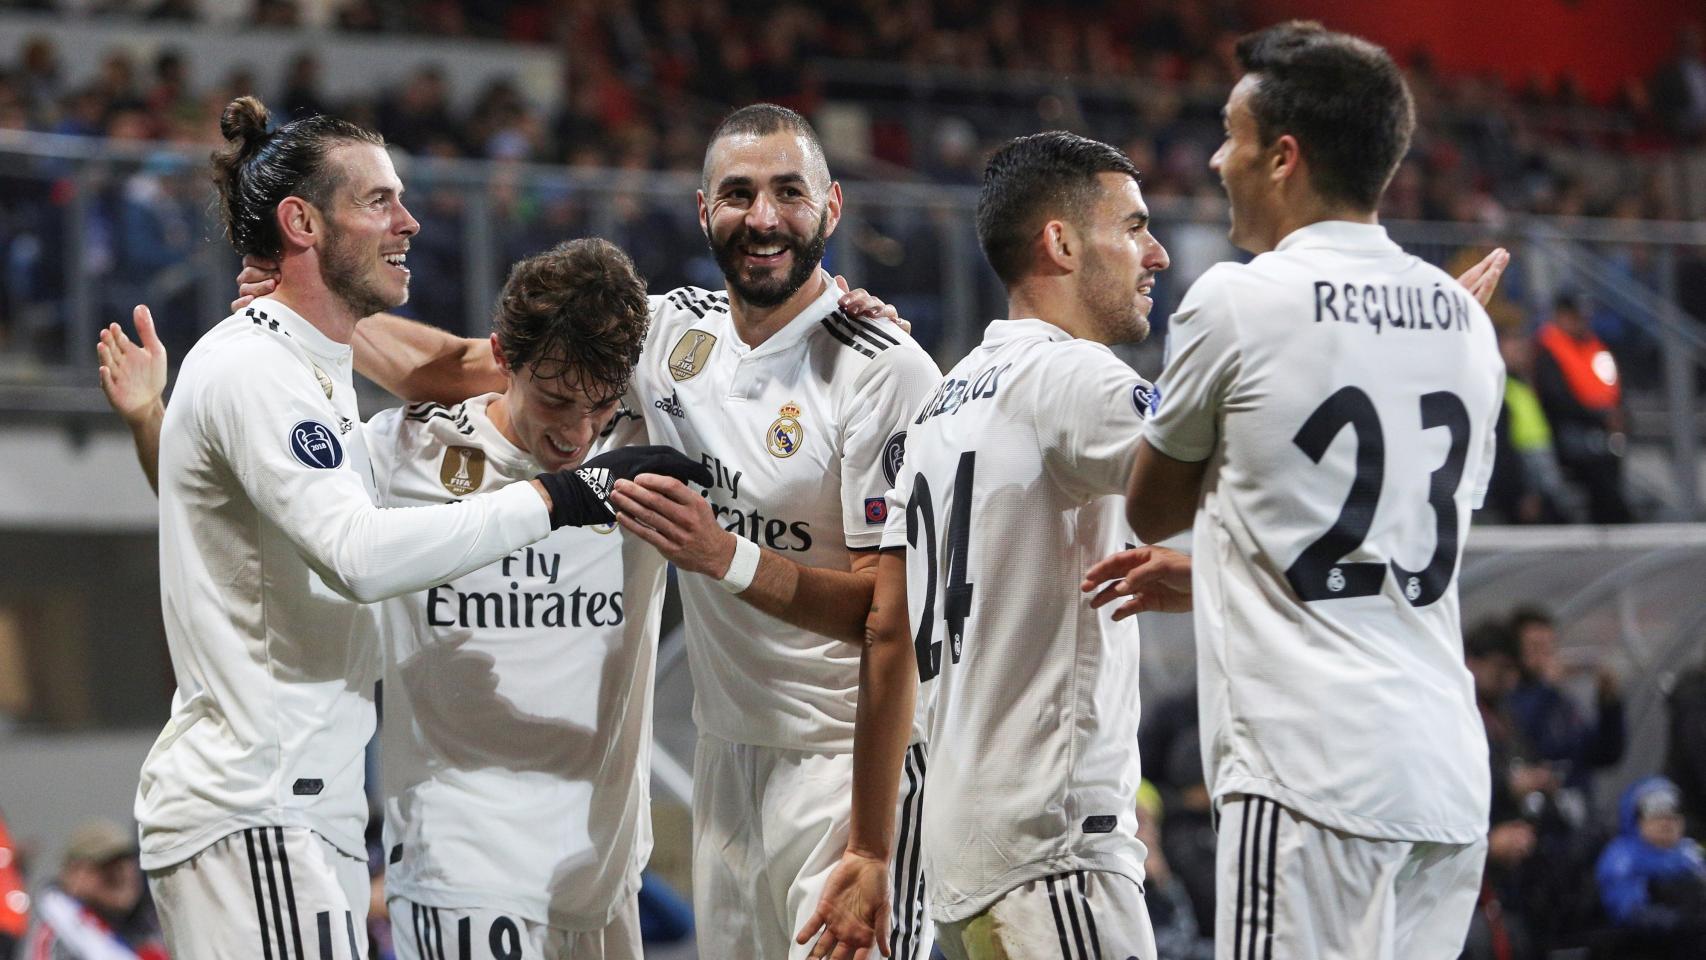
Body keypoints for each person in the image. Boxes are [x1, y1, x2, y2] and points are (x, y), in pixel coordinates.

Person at [231, 103, 942, 960]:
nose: (763, 217)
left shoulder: (880, 367)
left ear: (831, 209)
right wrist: (305, 306)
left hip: (844, 765)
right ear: (701, 208)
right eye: (739, 193)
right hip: (725, 761)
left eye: (789, 192)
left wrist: (727, 555)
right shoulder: (668, 335)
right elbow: (465, 362)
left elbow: (891, 620)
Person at [132, 97, 704, 960]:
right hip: (260, 806)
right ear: (302, 222)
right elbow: (358, 555)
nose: (410, 218)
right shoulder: (261, 367)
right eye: (378, 201)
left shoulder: (307, 373)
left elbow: (226, 522)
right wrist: (558, 498)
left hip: (299, 815)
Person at [1111, 22, 1508, 958]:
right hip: (1444, 785)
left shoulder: (1236, 299)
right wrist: (1226, 564)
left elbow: (1151, 507)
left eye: (1231, 135)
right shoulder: (1463, 319)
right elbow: (1376, 532)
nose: (1216, 159)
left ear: (1283, 156)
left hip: (1308, 779)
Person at [801, 130, 1178, 960]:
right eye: (1135, 226)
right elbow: (1228, 475)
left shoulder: (942, 406)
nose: (1156, 253)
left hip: (965, 853)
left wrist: (874, 846)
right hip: (1056, 849)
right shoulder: (1073, 378)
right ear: (1062, 242)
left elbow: (890, 634)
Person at [1533, 295, 1631, 523]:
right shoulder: (1548, 350)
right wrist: (1600, 418)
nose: (1580, 322)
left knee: (1609, 461)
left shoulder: (1594, 348)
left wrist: (1616, 415)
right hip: (1570, 430)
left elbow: (1613, 385)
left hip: (1603, 427)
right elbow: (1557, 399)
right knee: (1597, 469)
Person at [18, 818, 166, 960]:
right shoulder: (56, 936)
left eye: (128, 863)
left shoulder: (152, 934)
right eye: (108, 865)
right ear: (73, 874)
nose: (123, 874)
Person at [1594, 777, 1706, 957]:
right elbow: (1628, 911)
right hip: (1644, 948)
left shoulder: (1689, 853)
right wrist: (1679, 920)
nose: (1666, 822)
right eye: (1656, 815)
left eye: (1672, 815)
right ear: (1636, 819)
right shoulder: (1623, 856)